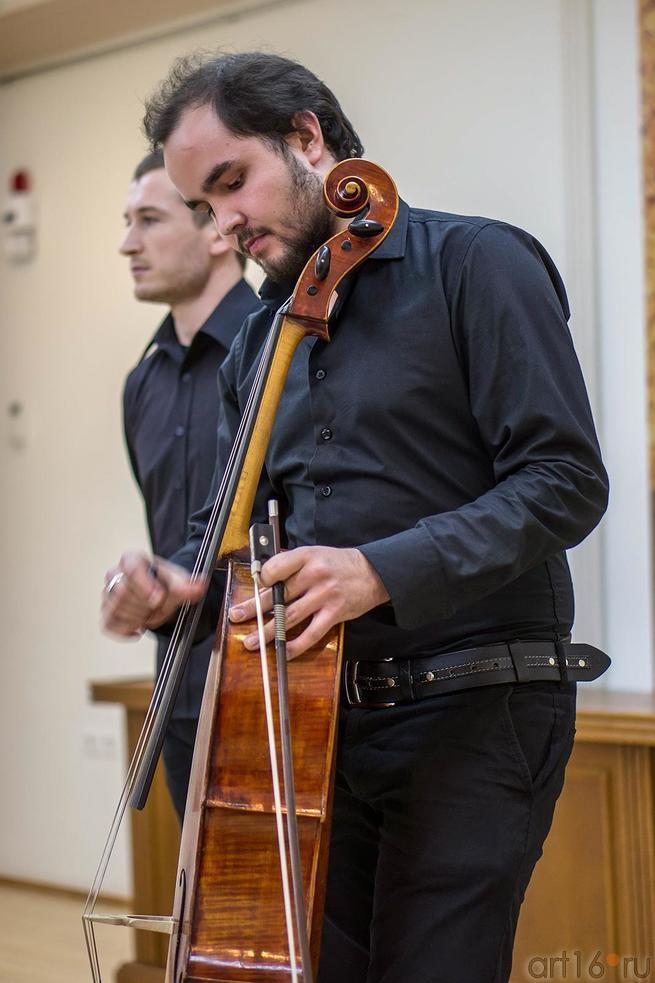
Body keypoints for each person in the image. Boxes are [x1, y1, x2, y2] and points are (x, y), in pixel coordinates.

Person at [102, 53, 609, 983]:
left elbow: (564, 480)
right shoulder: (258, 338)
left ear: (307, 135)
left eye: (231, 184)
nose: (229, 225)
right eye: (205, 207)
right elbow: (235, 528)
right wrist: (177, 583)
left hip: (475, 708)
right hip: (313, 726)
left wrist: (378, 568)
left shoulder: (477, 262)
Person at [117, 148, 260, 821]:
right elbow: (172, 535)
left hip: (274, 695)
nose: (127, 243)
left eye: (148, 219)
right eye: (127, 222)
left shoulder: (279, 348)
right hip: (180, 689)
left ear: (213, 229)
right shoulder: (141, 384)